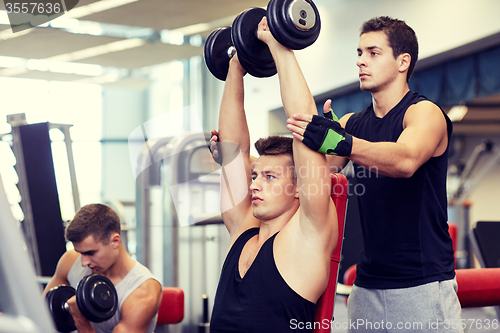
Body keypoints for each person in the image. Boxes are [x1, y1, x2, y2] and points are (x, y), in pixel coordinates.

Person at [285, 16, 462, 332]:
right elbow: (314, 177)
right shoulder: (353, 123)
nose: (360, 61)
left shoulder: (424, 113)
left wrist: (344, 143)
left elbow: (405, 160)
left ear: (402, 61)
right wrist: (238, 161)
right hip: (366, 286)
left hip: (422, 285)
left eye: (373, 52)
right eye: (359, 52)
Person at [208, 17, 338, 332]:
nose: (254, 184)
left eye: (270, 177)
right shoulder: (243, 228)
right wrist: (235, 67)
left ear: (298, 187)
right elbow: (233, 150)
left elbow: (304, 124)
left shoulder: (308, 236)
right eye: (256, 176)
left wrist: (280, 46)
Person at [43, 203, 162, 333]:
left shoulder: (142, 291)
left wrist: (81, 321)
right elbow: (41, 310)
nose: (83, 262)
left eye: (90, 253)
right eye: (80, 252)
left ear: (115, 241)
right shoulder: (70, 260)